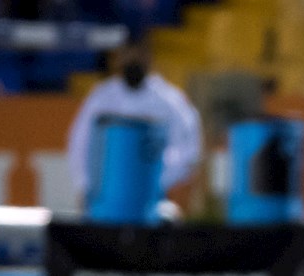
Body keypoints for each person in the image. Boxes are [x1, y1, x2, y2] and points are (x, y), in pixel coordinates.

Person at [67, 35, 203, 218]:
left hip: (153, 201)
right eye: (127, 55)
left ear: (149, 58)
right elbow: (80, 143)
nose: (133, 61)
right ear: (118, 59)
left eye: (138, 55)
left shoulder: (169, 100)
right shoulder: (101, 98)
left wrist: (157, 179)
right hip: (107, 198)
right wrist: (84, 185)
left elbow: (188, 147)